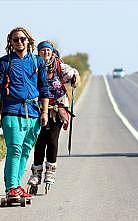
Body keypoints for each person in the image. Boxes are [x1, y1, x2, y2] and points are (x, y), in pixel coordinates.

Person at [0, 27, 49, 200]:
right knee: (15, 149)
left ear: (28, 40)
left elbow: (44, 88)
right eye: (15, 40)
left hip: (34, 113)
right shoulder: (5, 62)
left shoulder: (38, 62)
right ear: (10, 43)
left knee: (26, 151)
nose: (19, 42)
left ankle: (17, 187)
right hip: (12, 111)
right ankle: (12, 187)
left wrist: (44, 112)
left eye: (22, 39)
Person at [27, 41, 80, 193]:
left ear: (52, 52)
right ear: (38, 52)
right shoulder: (34, 65)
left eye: (48, 50)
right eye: (42, 50)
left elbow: (73, 74)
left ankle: (50, 170)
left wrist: (75, 78)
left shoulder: (59, 66)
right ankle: (36, 173)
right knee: (39, 141)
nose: (45, 53)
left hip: (57, 109)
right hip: (37, 108)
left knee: (52, 140)